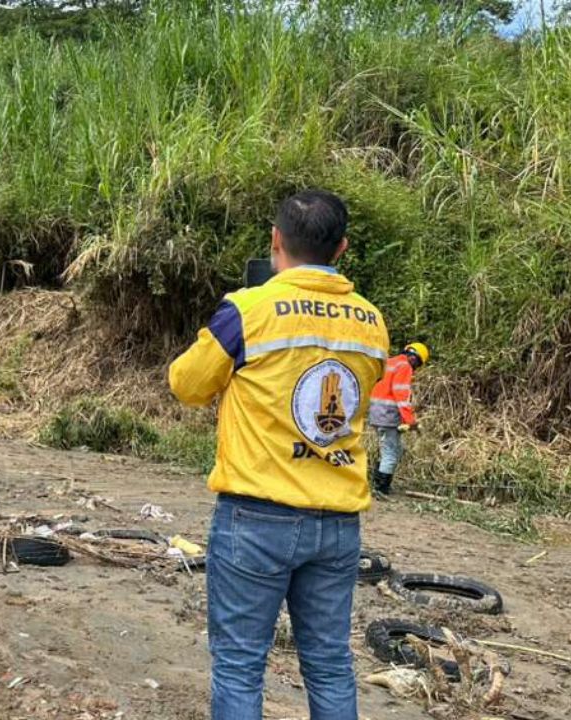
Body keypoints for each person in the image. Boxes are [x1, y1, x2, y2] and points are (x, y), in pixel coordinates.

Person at [168, 190, 390, 720]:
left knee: (241, 664)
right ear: (342, 248)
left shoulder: (248, 310)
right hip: (338, 521)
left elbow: (187, 384)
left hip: (256, 518)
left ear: (275, 241)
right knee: (330, 663)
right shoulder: (370, 322)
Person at [368, 342, 428, 495]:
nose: (414, 365)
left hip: (376, 413)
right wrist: (410, 421)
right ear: (415, 359)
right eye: (416, 362)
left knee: (392, 449)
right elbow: (401, 396)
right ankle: (381, 489)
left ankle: (378, 480)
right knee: (391, 452)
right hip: (388, 415)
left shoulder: (390, 362)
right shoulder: (404, 366)